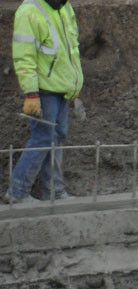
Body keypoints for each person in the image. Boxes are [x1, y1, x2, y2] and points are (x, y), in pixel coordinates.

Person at [6, 0, 83, 203]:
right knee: (42, 138)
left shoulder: (63, 7)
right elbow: (24, 57)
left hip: (61, 88)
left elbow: (71, 50)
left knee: (56, 137)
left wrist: (73, 84)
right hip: (43, 90)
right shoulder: (29, 11)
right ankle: (18, 193)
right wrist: (31, 93)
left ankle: (54, 191)